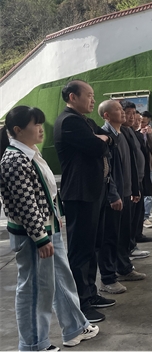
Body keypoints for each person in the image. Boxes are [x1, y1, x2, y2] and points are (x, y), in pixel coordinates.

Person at [0, 106, 100, 350]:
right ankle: (34, 344)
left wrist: (54, 218)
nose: (40, 128)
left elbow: (45, 192)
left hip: (47, 228)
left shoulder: (30, 152)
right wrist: (40, 238)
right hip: (34, 235)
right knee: (35, 290)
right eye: (35, 124)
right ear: (17, 130)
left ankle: (75, 327)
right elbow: (26, 204)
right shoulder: (15, 159)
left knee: (61, 279)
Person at [54, 80, 115, 323]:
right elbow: (97, 148)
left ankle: (90, 293)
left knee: (93, 246)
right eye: (89, 95)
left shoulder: (85, 121)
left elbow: (110, 140)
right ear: (72, 97)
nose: (93, 99)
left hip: (94, 192)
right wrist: (101, 140)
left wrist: (103, 139)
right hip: (80, 194)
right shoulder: (69, 122)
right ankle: (80, 302)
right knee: (80, 250)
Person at [96, 100, 130, 294]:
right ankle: (107, 278)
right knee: (108, 237)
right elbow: (106, 170)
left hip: (124, 193)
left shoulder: (121, 134)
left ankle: (122, 268)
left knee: (120, 235)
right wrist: (113, 194)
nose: (122, 111)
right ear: (106, 115)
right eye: (117, 109)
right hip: (112, 196)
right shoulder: (105, 137)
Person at [120, 101, 151, 261]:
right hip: (127, 184)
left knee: (135, 216)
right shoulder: (119, 133)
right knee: (128, 220)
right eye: (128, 113)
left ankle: (132, 244)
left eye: (134, 113)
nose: (132, 117)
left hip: (137, 180)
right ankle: (128, 249)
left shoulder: (131, 132)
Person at [140, 111, 152, 228]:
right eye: (140, 121)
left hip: (148, 165)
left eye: (144, 122)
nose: (142, 124)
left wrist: (149, 135)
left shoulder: (151, 133)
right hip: (137, 166)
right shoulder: (132, 132)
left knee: (148, 191)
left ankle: (145, 217)